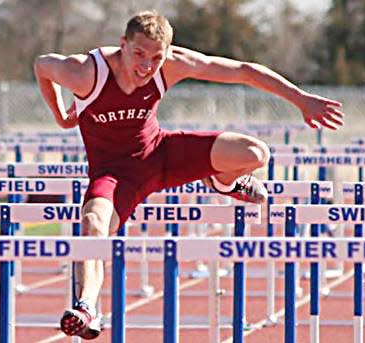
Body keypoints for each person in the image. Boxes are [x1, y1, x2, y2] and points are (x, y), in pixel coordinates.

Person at [34, 10, 344, 339]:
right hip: (114, 174)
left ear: (167, 53)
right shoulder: (85, 72)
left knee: (256, 153)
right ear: (123, 44)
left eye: (156, 58)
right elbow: (42, 65)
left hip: (160, 154)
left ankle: (222, 180)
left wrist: (301, 100)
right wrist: (62, 116)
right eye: (139, 54)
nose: (146, 67)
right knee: (93, 224)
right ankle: (87, 307)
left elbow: (243, 71)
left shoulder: (172, 64)